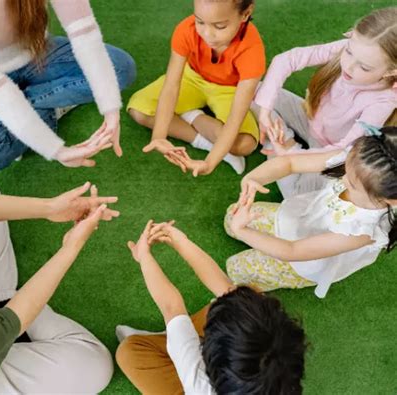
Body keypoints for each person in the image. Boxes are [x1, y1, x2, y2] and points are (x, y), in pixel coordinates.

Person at [0, 175, 119, 393]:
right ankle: (2, 302)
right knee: (94, 363)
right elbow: (5, 325)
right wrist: (70, 247)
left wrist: (51, 207)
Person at [0, 0, 137, 173]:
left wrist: (111, 110)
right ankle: (49, 107)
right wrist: (57, 151)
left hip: (39, 54)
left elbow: (85, 34)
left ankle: (24, 117)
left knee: (121, 69)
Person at [116, 220, 307, 394]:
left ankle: (172, 337)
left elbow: (171, 306)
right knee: (245, 297)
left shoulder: (198, 383)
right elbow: (227, 292)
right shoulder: (278, 378)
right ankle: (175, 335)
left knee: (129, 352)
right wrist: (182, 242)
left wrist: (144, 256)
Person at [224, 126, 396, 298]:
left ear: (390, 200)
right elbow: (290, 163)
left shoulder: (363, 231)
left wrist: (242, 230)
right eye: (346, 168)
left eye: (351, 184)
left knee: (235, 268)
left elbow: (292, 251)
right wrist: (253, 178)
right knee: (232, 215)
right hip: (298, 217)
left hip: (302, 262)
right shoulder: (361, 161)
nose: (342, 178)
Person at [252, 7, 396, 198]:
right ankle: (280, 138)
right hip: (310, 118)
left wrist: (290, 155)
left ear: (391, 72)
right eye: (349, 52)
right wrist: (265, 112)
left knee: (294, 195)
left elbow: (343, 150)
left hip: (330, 152)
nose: (348, 66)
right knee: (254, 91)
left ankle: (284, 142)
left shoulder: (384, 101)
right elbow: (287, 59)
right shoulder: (356, 48)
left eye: (364, 67)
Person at [128, 0, 265, 176]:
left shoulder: (252, 51)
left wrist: (209, 163)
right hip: (191, 79)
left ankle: (191, 115)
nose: (207, 34)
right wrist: (159, 137)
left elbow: (235, 118)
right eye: (200, 21)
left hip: (229, 90)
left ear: (245, 14)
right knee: (139, 110)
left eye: (220, 26)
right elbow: (171, 85)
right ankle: (204, 141)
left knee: (245, 144)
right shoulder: (186, 29)